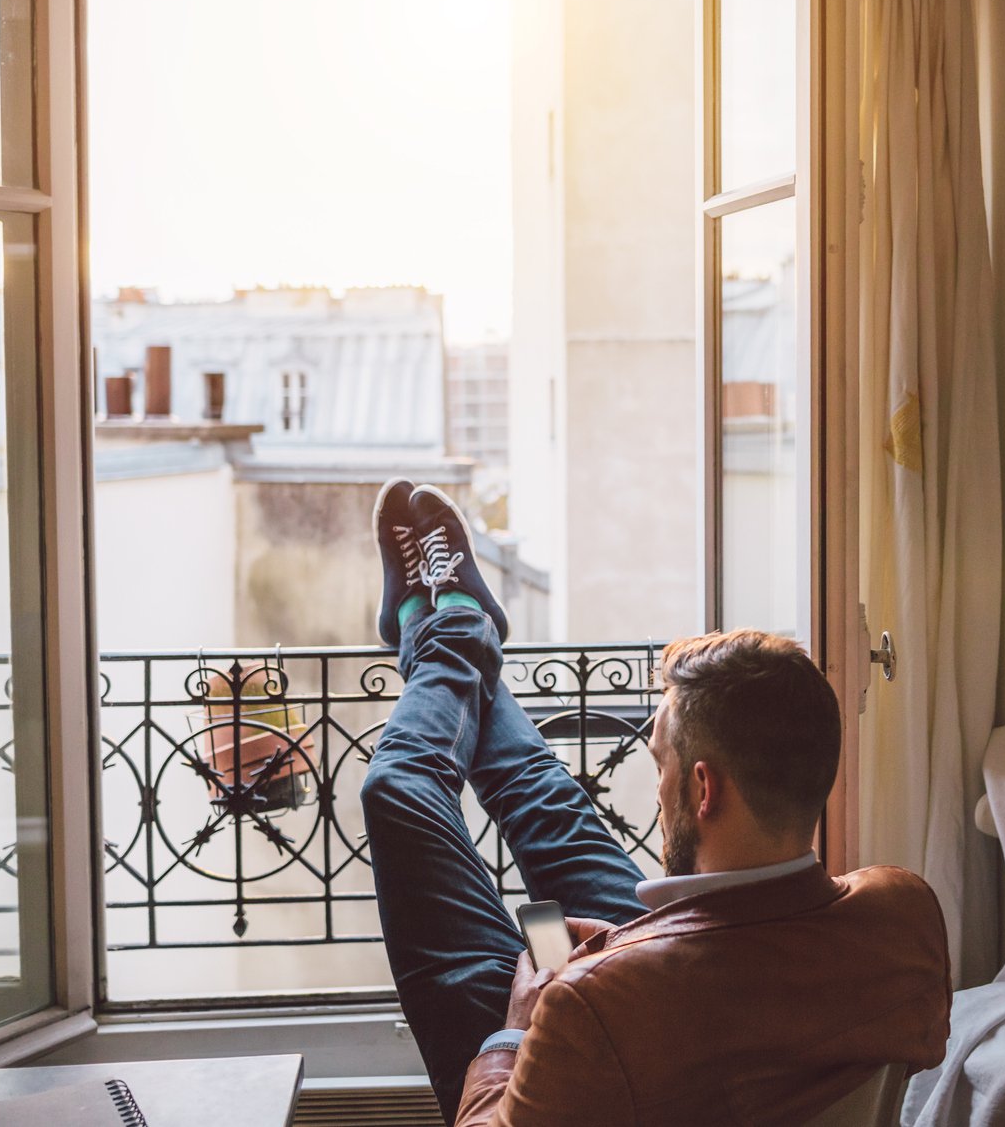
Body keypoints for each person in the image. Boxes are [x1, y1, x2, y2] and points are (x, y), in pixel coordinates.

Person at [360, 481, 951, 1126]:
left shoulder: (584, 1010)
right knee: (545, 800)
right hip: (683, 1012)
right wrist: (628, 956)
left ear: (704, 789)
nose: (653, 767)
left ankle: (443, 627)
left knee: (398, 793)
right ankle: (453, 622)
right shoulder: (904, 915)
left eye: (660, 758)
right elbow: (737, 1008)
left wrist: (516, 1031)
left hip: (613, 1040)